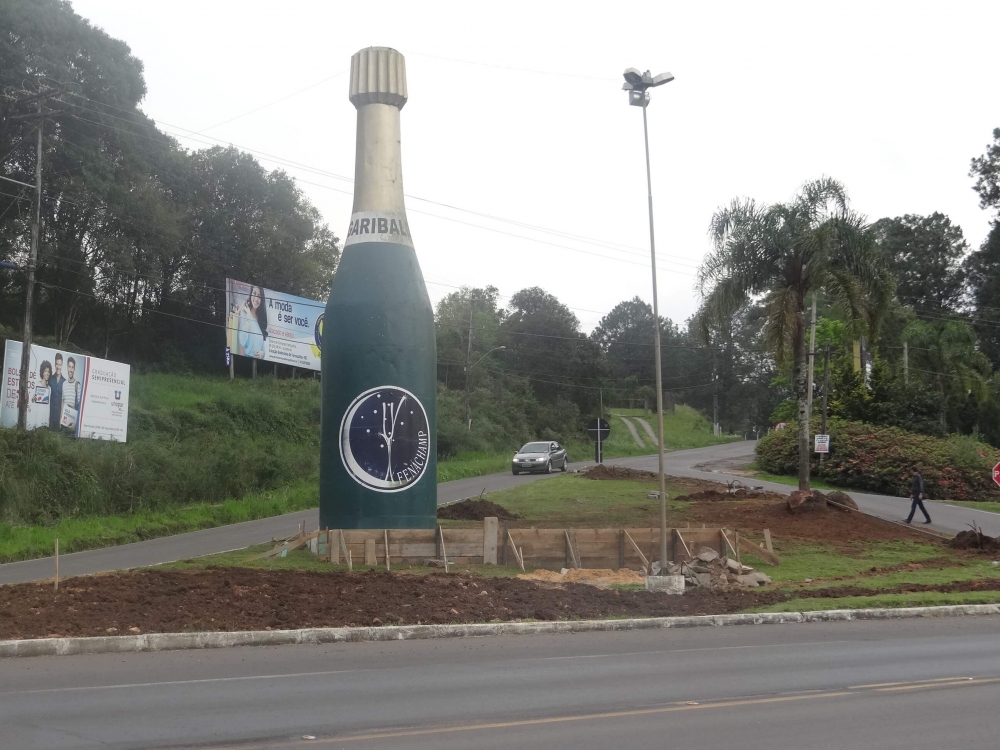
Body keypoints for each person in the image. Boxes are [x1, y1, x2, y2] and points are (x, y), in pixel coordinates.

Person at [238, 285, 268, 359]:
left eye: (259, 296)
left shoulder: (260, 319)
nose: (256, 299)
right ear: (251, 294)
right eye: (254, 294)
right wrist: (248, 316)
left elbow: (262, 347)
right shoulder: (244, 313)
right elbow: (242, 341)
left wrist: (262, 353)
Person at [61, 356, 83, 432]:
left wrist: (76, 422)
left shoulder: (78, 385)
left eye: (72, 367)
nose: (71, 369)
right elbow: (63, 402)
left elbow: (80, 406)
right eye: (69, 367)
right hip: (64, 422)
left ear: (74, 369)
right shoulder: (64, 384)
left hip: (73, 423)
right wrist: (60, 419)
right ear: (67, 367)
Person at [48, 353, 65, 429]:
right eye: (57, 364)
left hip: (60, 418)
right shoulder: (50, 379)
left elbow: (65, 401)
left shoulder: (65, 382)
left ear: (62, 365)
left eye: (60, 364)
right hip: (50, 416)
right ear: (55, 364)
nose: (58, 367)